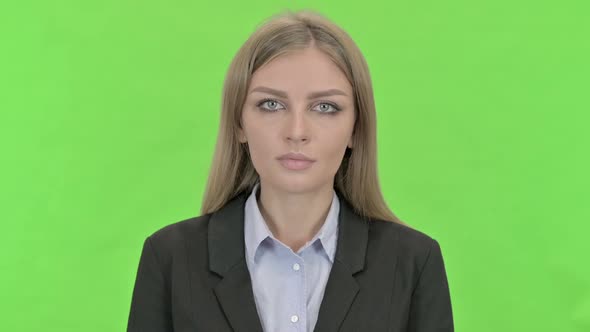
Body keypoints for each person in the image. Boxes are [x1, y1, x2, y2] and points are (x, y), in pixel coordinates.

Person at [127, 9, 454, 332]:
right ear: (239, 123)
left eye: (325, 107)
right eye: (271, 104)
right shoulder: (170, 258)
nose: (296, 131)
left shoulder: (413, 262)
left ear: (356, 128)